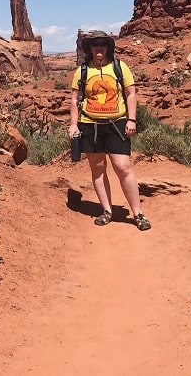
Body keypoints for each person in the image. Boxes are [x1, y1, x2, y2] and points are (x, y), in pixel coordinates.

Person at [69, 30, 151, 231]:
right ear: (89, 48)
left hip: (117, 123)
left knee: (123, 167)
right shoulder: (82, 71)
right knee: (98, 169)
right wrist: (73, 124)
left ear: (108, 47)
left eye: (102, 44)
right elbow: (73, 99)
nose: (99, 47)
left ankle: (137, 213)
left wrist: (131, 119)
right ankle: (106, 210)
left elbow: (131, 94)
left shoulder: (119, 67)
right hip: (90, 124)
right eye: (95, 44)